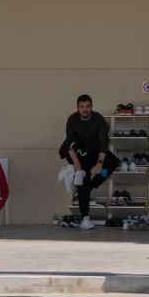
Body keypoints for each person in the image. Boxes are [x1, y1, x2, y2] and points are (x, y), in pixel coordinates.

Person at [61, 94, 117, 230]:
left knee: (113, 163)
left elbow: (104, 144)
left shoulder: (99, 120)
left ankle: (91, 184)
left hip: (95, 152)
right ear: (77, 108)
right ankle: (85, 218)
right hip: (77, 153)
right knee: (81, 185)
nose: (85, 109)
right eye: (82, 107)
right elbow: (69, 144)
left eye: (87, 107)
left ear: (91, 107)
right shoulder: (72, 120)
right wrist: (76, 164)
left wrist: (99, 164)